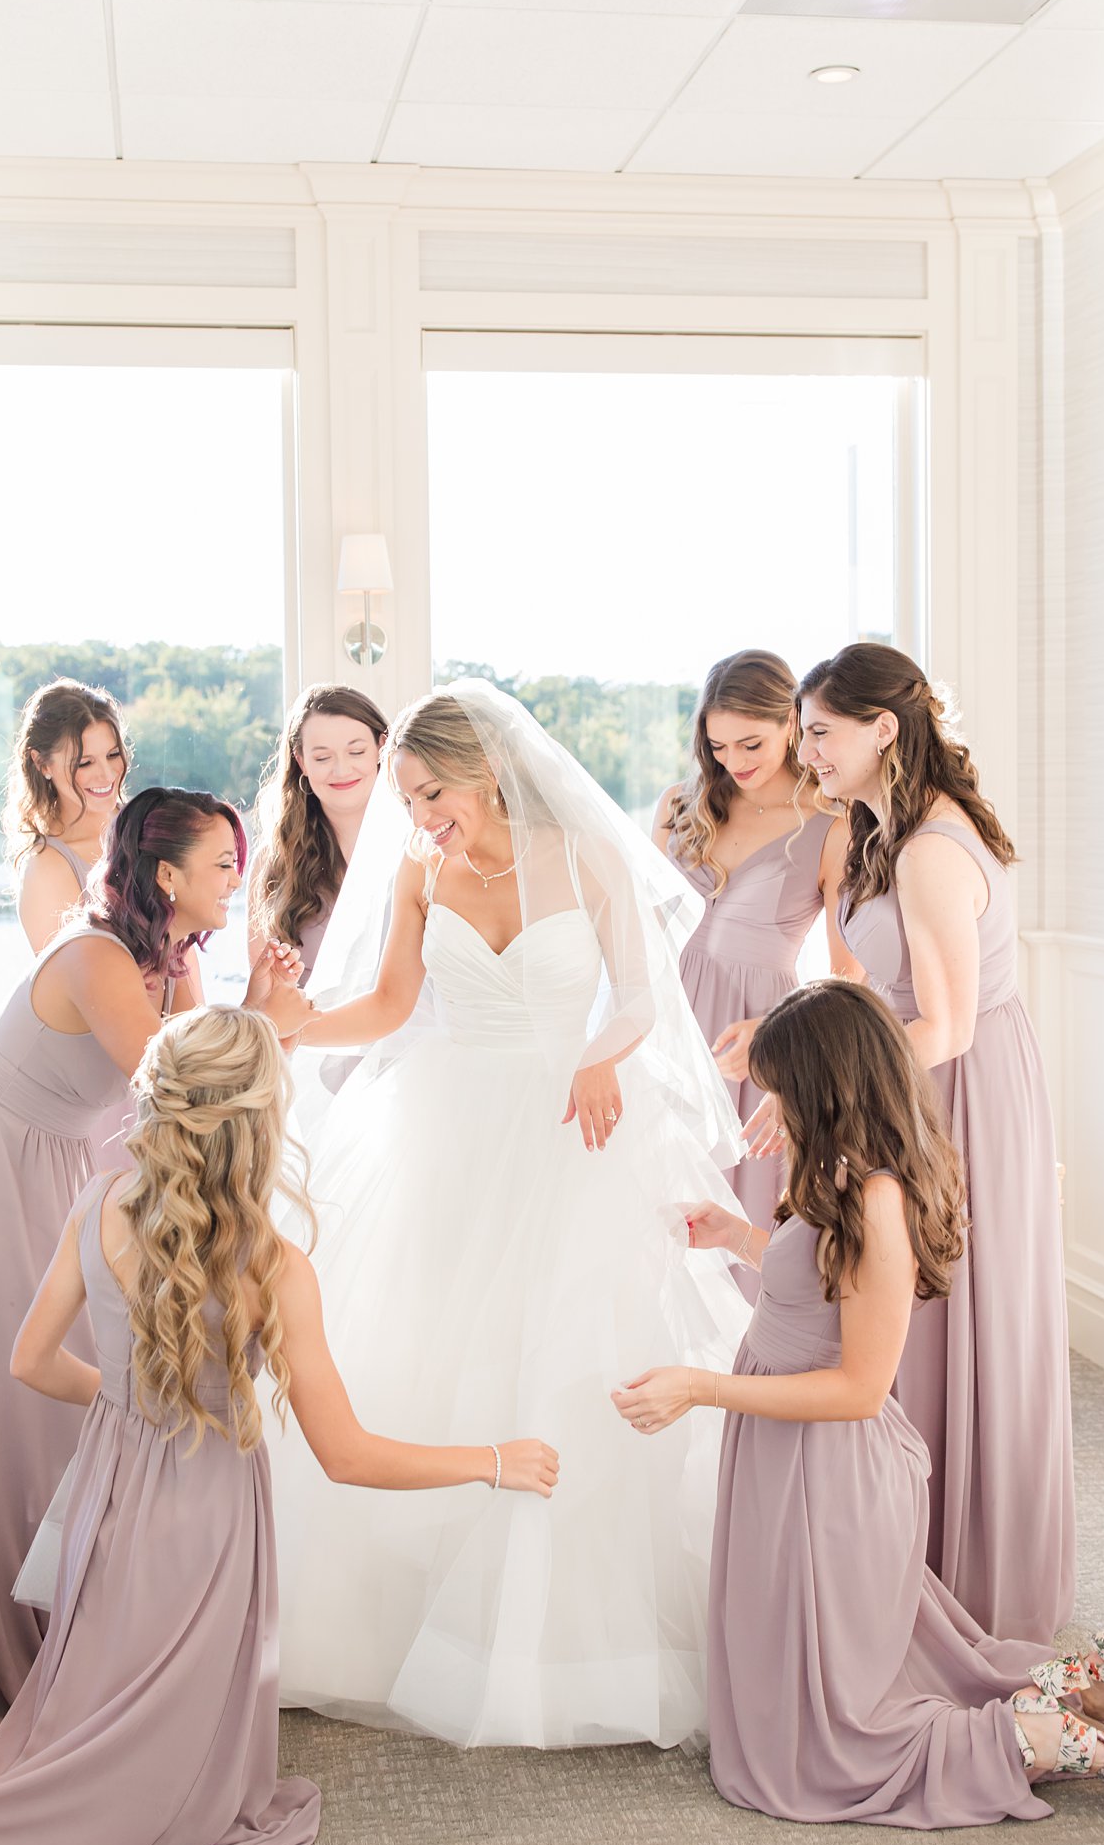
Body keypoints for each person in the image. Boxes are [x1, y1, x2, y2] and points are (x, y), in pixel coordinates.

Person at [0, 1006, 557, 1845]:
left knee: (98, 1688)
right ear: (256, 1126)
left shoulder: (100, 1202)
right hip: (205, 1524)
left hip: (110, 1494)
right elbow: (348, 1453)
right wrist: (492, 1460)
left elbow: (31, 1359)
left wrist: (128, 1406)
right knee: (149, 1766)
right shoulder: (273, 1269)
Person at [268, 681, 751, 1750]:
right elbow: (392, 1006)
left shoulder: (582, 853)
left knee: (562, 1348)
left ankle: (553, 1637)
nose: (419, 814)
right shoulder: (417, 865)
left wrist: (594, 1058)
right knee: (429, 1339)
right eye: (407, 798)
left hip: (566, 1121)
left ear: (484, 771)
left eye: (431, 791)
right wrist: (295, 1029)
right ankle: (405, 1619)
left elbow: (640, 997)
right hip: (443, 1118)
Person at [613, 980, 1104, 1826]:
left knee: (823, 1746)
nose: (768, 1101)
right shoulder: (834, 1173)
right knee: (828, 1694)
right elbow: (817, 1289)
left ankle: (1039, 1740)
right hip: (788, 1456)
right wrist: (737, 1236)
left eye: (779, 1085)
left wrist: (699, 1386)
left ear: (823, 1085)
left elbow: (858, 1386)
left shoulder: (878, 1199)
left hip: (830, 1472)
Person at [0, 788, 309, 1725]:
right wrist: (268, 1014)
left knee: (40, 1409)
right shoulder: (97, 954)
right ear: (166, 875)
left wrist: (263, 1010)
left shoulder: (175, 958)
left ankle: (63, 1623)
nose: (239, 878)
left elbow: (213, 1064)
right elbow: (179, 1086)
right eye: (224, 864)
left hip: (45, 1159)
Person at [781, 644, 1074, 1641]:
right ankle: (911, 1565)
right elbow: (888, 992)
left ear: (882, 731)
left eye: (819, 729)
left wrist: (821, 1092)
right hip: (920, 1085)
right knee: (914, 1325)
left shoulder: (929, 852)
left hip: (956, 1096)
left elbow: (942, 1026)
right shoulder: (886, 834)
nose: (803, 748)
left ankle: (965, 1588)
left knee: (949, 1319)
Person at [654, 649, 854, 1295]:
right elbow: (639, 931)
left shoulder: (831, 824)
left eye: (751, 743)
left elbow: (849, 974)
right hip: (666, 1032)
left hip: (756, 1044)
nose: (734, 762)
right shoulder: (678, 807)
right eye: (718, 746)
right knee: (655, 1220)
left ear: (792, 722)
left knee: (740, 1225)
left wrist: (784, 1047)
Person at [247, 684, 389, 983]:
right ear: (301, 761)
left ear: (382, 747)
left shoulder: (419, 845)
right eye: (323, 758)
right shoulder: (273, 862)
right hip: (307, 1028)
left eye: (356, 751)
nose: (341, 770)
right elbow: (263, 996)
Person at [6, 680, 130, 951]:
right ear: (42, 764)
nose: (107, 775)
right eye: (85, 763)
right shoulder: (45, 868)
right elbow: (72, 986)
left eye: (112, 755)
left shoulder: (145, 824)